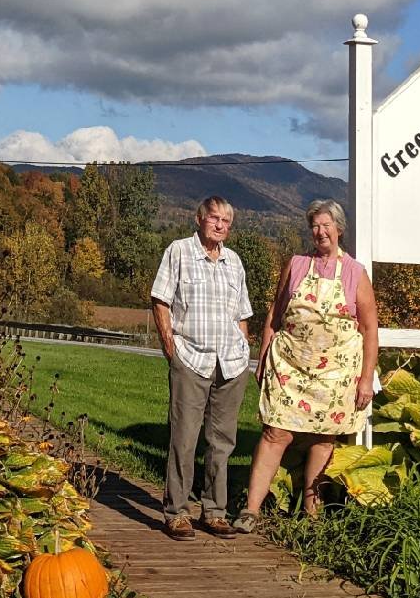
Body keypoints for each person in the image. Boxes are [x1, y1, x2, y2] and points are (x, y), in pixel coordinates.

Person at [233, 199, 378, 531]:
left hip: (336, 373)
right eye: (314, 225)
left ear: (339, 229)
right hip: (290, 368)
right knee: (275, 433)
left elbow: (370, 328)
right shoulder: (297, 264)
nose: (320, 231)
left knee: (323, 439)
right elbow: (275, 311)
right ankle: (251, 510)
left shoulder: (355, 272)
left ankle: (311, 516)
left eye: (326, 225)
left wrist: (366, 378)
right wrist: (265, 355)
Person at [150, 196, 254, 541]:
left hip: (230, 362)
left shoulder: (234, 262)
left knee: (222, 441)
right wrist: (171, 348)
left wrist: (244, 349)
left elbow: (242, 314)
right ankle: (177, 512)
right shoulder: (179, 251)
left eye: (227, 220)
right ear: (199, 218)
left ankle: (214, 511)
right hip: (191, 357)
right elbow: (160, 300)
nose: (220, 225)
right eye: (214, 218)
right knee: (184, 437)